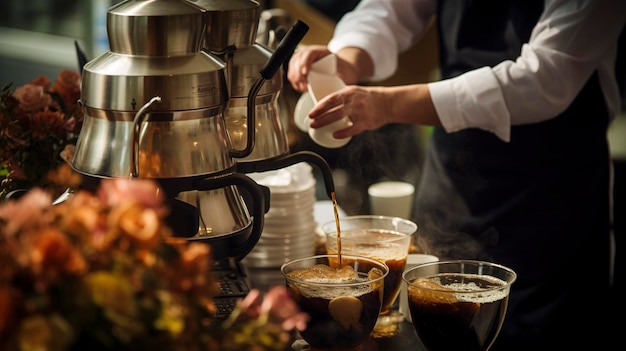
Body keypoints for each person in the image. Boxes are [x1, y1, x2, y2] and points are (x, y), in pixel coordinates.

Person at [287, 0, 625, 349]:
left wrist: (387, 105)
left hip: (550, 192)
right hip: (454, 172)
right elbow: (392, 8)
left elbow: (548, 77)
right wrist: (345, 59)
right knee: (440, 327)